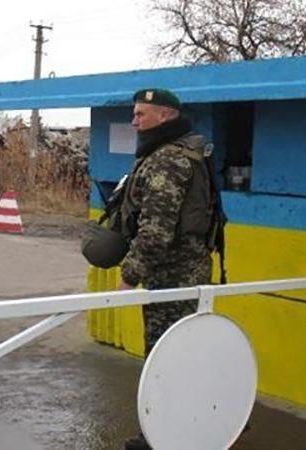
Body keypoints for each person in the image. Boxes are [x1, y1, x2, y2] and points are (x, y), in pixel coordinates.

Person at [119, 89, 213, 450]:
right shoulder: (181, 152)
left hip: (173, 276)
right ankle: (190, 425)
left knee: (165, 359)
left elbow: (157, 229)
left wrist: (130, 274)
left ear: (165, 116)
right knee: (183, 354)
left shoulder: (167, 160)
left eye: (141, 114)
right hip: (186, 272)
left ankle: (162, 435)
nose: (134, 120)